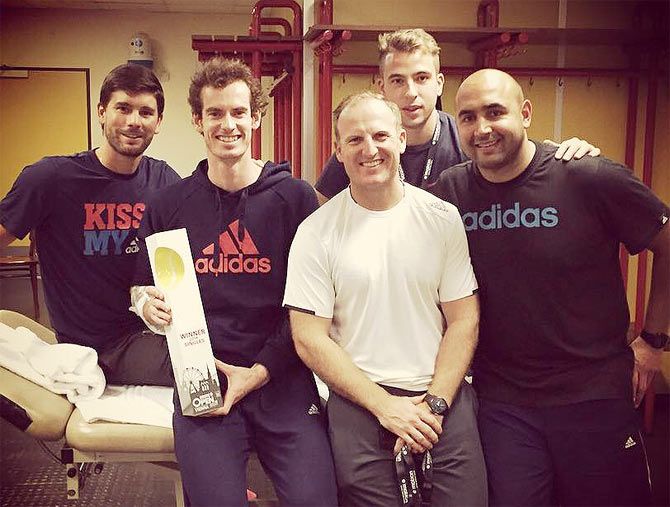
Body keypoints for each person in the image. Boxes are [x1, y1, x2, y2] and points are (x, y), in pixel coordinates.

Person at [434, 68, 669, 507]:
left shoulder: (589, 176)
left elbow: (667, 242)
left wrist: (654, 342)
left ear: (525, 113)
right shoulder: (452, 192)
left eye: (495, 112)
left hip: (593, 395)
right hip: (503, 404)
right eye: (467, 117)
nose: (482, 128)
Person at [133, 57, 337, 507]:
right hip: (204, 378)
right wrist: (146, 306)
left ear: (256, 117)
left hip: (281, 378)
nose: (229, 124)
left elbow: (311, 307)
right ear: (197, 121)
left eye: (239, 112)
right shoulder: (169, 204)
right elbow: (140, 287)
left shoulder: (295, 199)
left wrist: (258, 372)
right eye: (215, 113)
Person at [284, 91, 487, 506]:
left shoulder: (441, 219)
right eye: (354, 140)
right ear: (337, 151)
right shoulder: (316, 231)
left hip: (441, 395)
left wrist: (433, 406)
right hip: (360, 402)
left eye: (380, 135)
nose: (370, 149)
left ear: (400, 138)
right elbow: (309, 337)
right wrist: (385, 408)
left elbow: (464, 320)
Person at [0, 64, 181, 386]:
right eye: (122, 108)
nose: (133, 122)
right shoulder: (51, 179)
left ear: (159, 122)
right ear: (101, 112)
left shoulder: (163, 179)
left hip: (153, 325)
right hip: (101, 346)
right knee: (207, 370)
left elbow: (185, 255)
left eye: (145, 112)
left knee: (235, 342)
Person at [315, 28, 599, 203]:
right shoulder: (366, 150)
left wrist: (564, 156)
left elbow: (522, 161)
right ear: (382, 87)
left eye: (422, 78)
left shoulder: (471, 139)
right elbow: (320, 211)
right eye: (398, 81)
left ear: (439, 83)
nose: (411, 92)